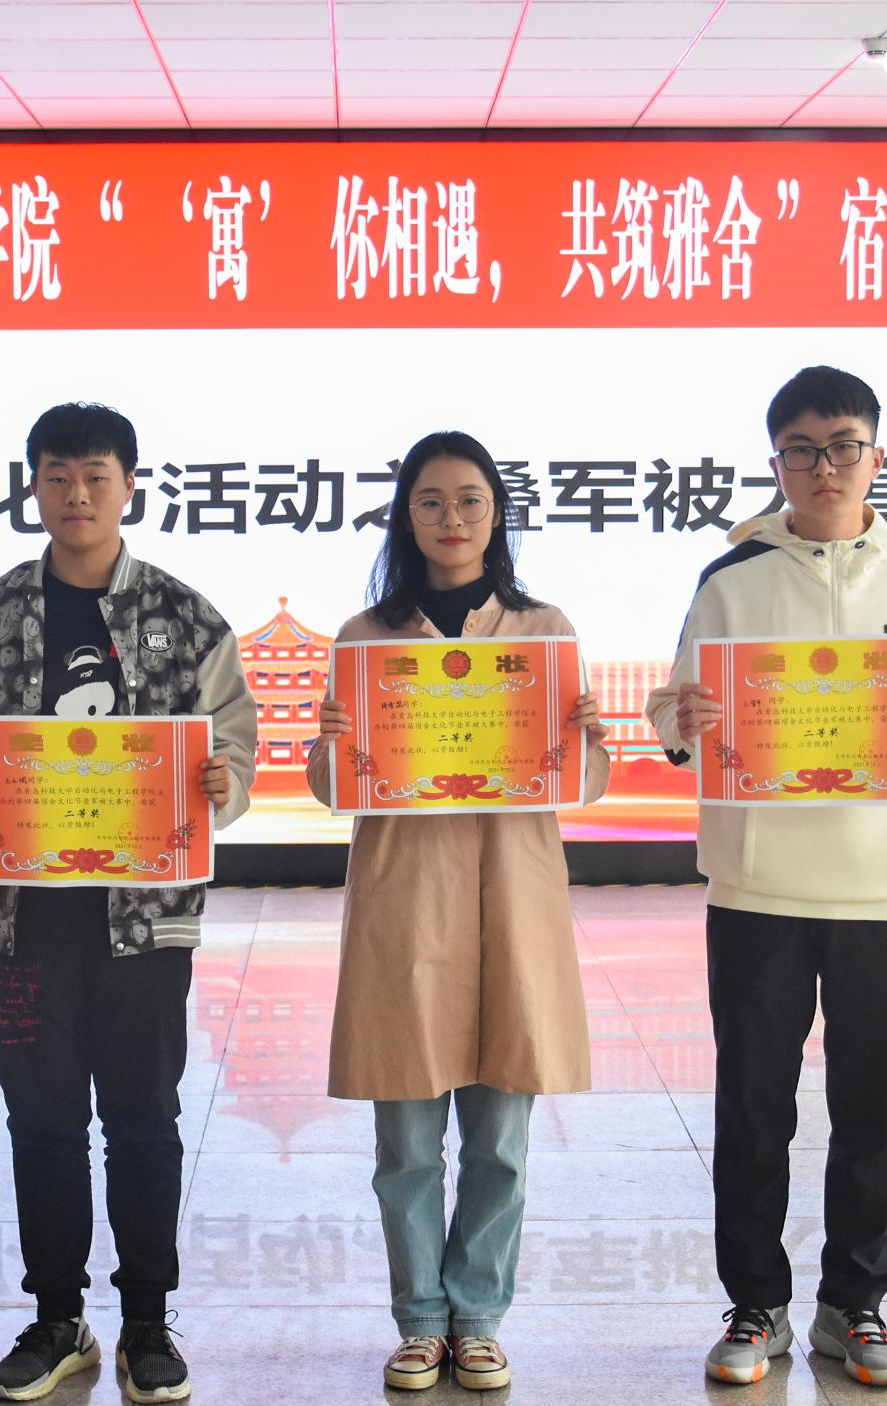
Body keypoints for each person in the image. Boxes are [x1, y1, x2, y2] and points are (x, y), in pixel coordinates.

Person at [646, 366, 887, 1388]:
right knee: (755, 1106)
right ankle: (756, 1304)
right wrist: (684, 719)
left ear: (877, 458)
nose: (824, 466)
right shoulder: (732, 580)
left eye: (843, 446)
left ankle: (856, 1305)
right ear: (777, 462)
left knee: (876, 1106)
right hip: (759, 884)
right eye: (802, 449)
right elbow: (673, 713)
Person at [0, 402, 257, 1404]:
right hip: (25, 919)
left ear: (130, 487)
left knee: (145, 1118)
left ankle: (147, 1320)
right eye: (57, 475)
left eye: (96, 476)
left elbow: (234, 744)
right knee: (43, 1120)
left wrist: (223, 780)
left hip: (146, 917)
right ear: (33, 486)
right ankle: (57, 1316)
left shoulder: (188, 619)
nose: (77, 494)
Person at [308, 430, 611, 1393]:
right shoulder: (367, 637)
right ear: (405, 515)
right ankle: (419, 1320)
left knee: (501, 1137)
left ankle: (478, 1316)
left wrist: (586, 738)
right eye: (431, 501)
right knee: (405, 1140)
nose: (451, 518)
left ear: (496, 513)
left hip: (513, 895)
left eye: (470, 500)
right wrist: (331, 743)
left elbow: (581, 784)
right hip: (406, 899)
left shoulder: (542, 630)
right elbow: (335, 791)